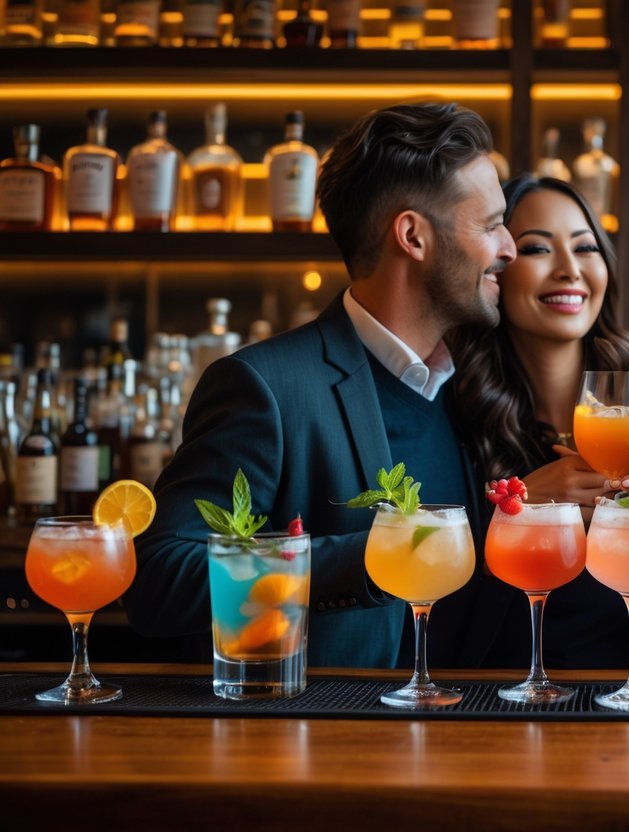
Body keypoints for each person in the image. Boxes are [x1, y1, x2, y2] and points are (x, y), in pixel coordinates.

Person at [126, 102, 519, 669]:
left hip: (472, 715)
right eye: (490, 225)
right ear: (413, 236)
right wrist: (377, 556)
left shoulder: (472, 388)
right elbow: (159, 579)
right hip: (330, 722)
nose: (509, 248)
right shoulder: (263, 387)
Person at [447, 175, 629, 668]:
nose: (569, 269)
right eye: (538, 249)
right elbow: (436, 613)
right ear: (497, 270)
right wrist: (515, 512)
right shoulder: (455, 421)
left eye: (586, 248)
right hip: (500, 699)